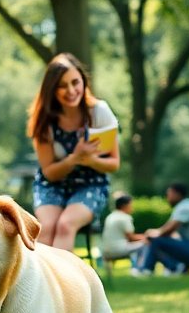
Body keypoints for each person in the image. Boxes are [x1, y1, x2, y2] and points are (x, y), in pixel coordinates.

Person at [28, 53, 121, 251]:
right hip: (52, 185)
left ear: (83, 82)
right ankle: (39, 282)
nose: (71, 91)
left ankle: (64, 283)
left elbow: (114, 163)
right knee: (46, 228)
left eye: (75, 82)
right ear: (51, 90)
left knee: (65, 225)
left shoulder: (99, 112)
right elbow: (50, 173)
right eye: (62, 85)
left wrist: (90, 160)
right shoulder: (44, 121)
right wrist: (74, 158)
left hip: (91, 185)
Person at [131, 183, 189, 277]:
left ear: (177, 194)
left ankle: (147, 269)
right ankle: (177, 267)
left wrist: (152, 234)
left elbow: (168, 230)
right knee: (159, 241)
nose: (167, 198)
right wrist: (155, 233)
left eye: (169, 194)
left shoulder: (184, 208)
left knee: (156, 241)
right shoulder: (187, 206)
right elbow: (170, 232)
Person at [99, 193, 147, 266]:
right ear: (125, 206)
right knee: (145, 245)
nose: (132, 208)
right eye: (131, 205)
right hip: (118, 249)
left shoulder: (110, 216)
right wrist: (146, 237)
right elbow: (131, 238)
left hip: (105, 250)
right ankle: (139, 268)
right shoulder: (125, 217)